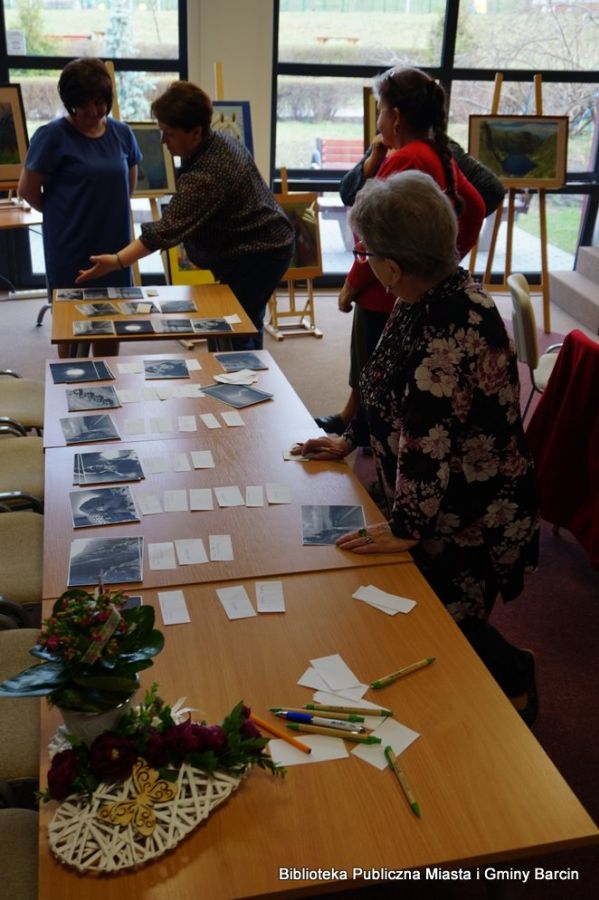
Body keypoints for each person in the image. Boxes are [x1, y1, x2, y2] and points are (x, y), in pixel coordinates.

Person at [293, 171, 540, 724]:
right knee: (408, 598)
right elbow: (379, 379)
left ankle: (516, 673)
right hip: (436, 494)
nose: (365, 260)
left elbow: (429, 446)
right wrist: (350, 437)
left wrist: (403, 529)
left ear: (392, 266)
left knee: (440, 611)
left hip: (472, 511)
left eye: (366, 251)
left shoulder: (447, 329)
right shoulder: (424, 290)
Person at [316, 66, 489, 435]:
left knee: (371, 360)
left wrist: (351, 284)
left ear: (395, 116)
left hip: (387, 283)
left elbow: (372, 236)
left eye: (380, 110)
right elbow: (474, 207)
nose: (378, 120)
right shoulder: (436, 153)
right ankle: (353, 420)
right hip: (411, 279)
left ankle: (362, 431)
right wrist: (447, 258)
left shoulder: (405, 157)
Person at [75, 80, 295, 351]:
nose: (163, 141)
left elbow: (165, 230)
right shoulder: (215, 141)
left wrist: (118, 261)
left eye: (169, 133)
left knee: (231, 327)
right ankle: (250, 371)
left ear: (195, 132)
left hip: (259, 253)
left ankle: (241, 383)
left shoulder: (208, 173)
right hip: (263, 244)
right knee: (245, 320)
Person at [17, 57, 141, 357]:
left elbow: (128, 188)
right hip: (70, 247)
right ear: (69, 102)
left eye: (100, 103)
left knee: (111, 326)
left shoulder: (122, 134)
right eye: (83, 104)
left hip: (114, 248)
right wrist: (65, 213)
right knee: (72, 335)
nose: (93, 111)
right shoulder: (52, 136)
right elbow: (27, 190)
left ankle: (107, 393)